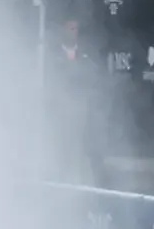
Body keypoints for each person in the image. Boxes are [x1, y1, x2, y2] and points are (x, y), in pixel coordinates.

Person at [44, 17, 110, 187]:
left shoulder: (86, 53)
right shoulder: (51, 53)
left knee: (85, 150)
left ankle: (89, 187)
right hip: (60, 112)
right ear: (63, 31)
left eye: (76, 29)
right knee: (62, 149)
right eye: (70, 28)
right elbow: (51, 79)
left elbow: (91, 76)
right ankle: (60, 183)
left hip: (82, 110)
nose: (73, 32)